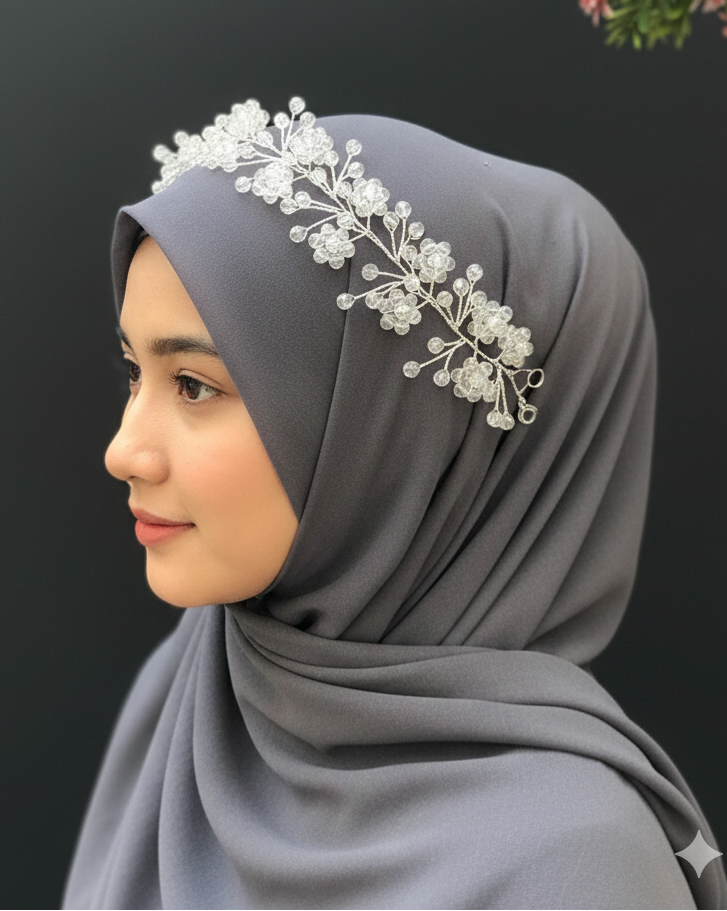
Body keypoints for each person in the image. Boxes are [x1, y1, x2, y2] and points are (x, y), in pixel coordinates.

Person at [62, 97, 726, 910]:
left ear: (397, 437)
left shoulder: (576, 862)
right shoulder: (198, 693)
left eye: (195, 384)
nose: (122, 449)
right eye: (136, 372)